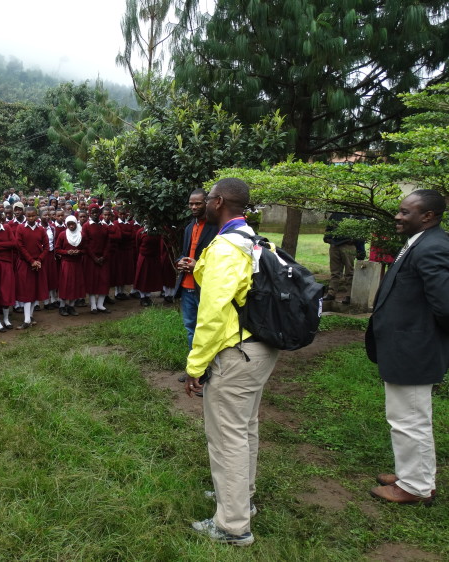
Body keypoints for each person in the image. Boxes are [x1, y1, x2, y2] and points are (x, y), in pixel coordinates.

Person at [185, 178, 279, 547]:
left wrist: (195, 366)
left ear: (219, 201)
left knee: (227, 438)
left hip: (236, 353)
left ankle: (232, 526)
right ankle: (243, 498)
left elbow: (211, 314)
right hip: (261, 348)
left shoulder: (226, 247)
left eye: (208, 198)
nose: (204, 202)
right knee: (245, 428)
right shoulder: (256, 240)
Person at [366, 189, 449, 505]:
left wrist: (424, 341)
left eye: (405, 212)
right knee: (408, 417)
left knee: (410, 419)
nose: (398, 217)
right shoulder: (420, 243)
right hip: (407, 346)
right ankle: (415, 475)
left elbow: (445, 305)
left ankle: (415, 487)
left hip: (415, 349)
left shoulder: (433, 248)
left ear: (427, 216)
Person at [176, 189, 219, 387]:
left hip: (205, 287)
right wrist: (181, 262)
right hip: (187, 286)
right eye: (191, 204)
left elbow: (218, 261)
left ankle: (208, 371)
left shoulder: (216, 228)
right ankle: (196, 370)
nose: (194, 207)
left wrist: (198, 265)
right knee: (190, 329)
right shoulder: (188, 228)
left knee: (206, 330)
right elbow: (184, 253)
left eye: (198, 204)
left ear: (207, 203)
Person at [15, 207, 48, 329]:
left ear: (37, 216)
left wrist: (38, 260)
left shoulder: (41, 230)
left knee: (36, 290)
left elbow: (46, 247)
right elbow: (20, 246)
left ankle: (30, 316)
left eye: (33, 216)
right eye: (28, 216)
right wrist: (31, 261)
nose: (31, 218)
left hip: (38, 265)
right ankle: (27, 319)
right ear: (25, 216)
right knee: (27, 291)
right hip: (26, 264)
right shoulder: (21, 228)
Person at [322, 211, 364, 304]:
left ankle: (349, 295)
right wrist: (328, 238)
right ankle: (331, 293)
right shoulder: (337, 213)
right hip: (334, 245)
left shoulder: (358, 215)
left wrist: (360, 249)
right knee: (335, 271)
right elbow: (329, 227)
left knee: (349, 272)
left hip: (348, 245)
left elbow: (361, 232)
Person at [55, 215, 85, 317]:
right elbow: (57, 249)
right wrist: (67, 252)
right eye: (69, 224)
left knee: (75, 285)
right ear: (66, 225)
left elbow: (86, 249)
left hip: (77, 263)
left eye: (73, 224)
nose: (71, 226)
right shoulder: (63, 235)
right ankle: (62, 306)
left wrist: (79, 251)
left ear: (76, 224)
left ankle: (71, 306)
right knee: (65, 284)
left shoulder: (81, 235)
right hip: (66, 263)